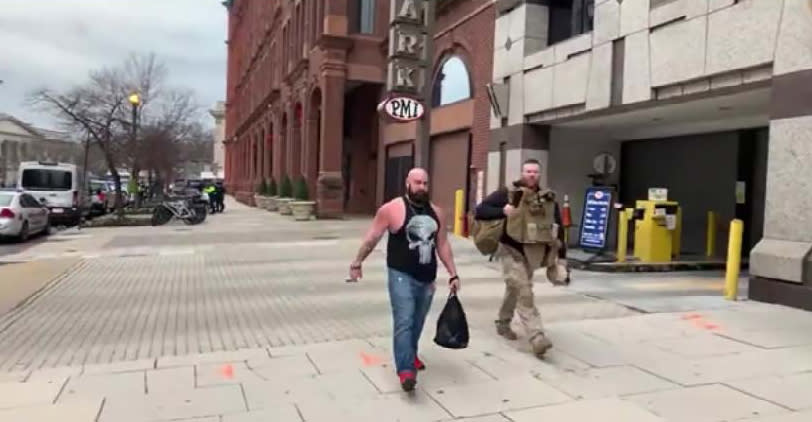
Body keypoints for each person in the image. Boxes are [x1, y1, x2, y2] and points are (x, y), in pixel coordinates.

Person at [349, 168, 460, 392]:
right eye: (417, 182)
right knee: (405, 320)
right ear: (407, 184)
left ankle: (410, 354)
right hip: (400, 275)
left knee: (417, 322)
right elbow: (372, 237)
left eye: (425, 183)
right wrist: (357, 262)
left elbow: (442, 244)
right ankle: (406, 371)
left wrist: (453, 273)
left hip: (427, 277)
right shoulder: (392, 209)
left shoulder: (437, 213)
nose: (421, 187)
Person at [474, 158, 566, 358]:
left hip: (532, 254)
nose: (531, 175)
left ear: (539, 174)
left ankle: (503, 321)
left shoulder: (547, 199)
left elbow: (558, 229)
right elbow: (480, 210)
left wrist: (562, 259)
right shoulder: (508, 194)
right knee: (524, 291)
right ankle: (537, 336)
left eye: (535, 171)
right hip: (510, 250)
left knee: (515, 289)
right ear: (522, 172)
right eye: (528, 171)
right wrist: (502, 210)